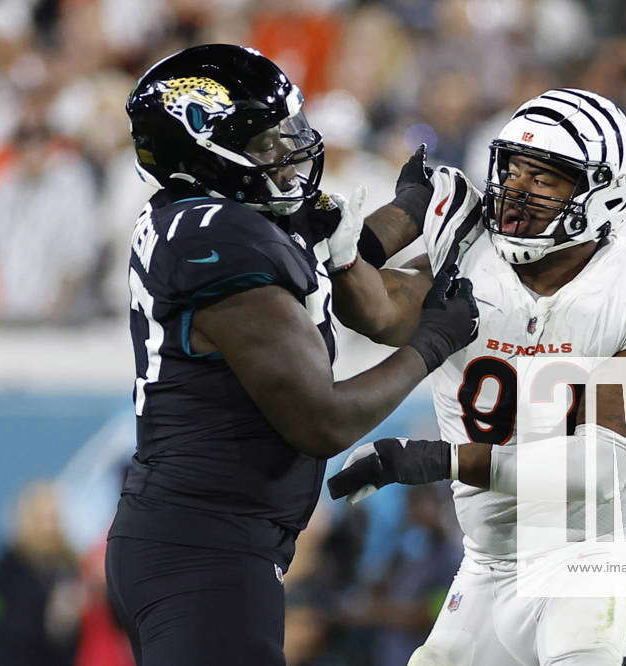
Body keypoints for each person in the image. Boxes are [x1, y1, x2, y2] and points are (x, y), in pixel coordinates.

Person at [104, 44, 479, 666]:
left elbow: (337, 250)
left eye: (289, 130)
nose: (291, 150)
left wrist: (414, 209)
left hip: (197, 541)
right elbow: (321, 420)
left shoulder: (217, 217)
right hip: (205, 552)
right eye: (267, 141)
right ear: (203, 153)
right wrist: (432, 344)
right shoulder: (221, 238)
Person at [326, 89, 626, 665]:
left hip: (598, 556)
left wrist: (443, 458)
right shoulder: (467, 251)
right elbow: (375, 310)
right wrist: (347, 253)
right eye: (513, 169)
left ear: (603, 191)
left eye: (545, 177)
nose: (518, 191)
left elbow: (603, 468)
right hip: (490, 563)